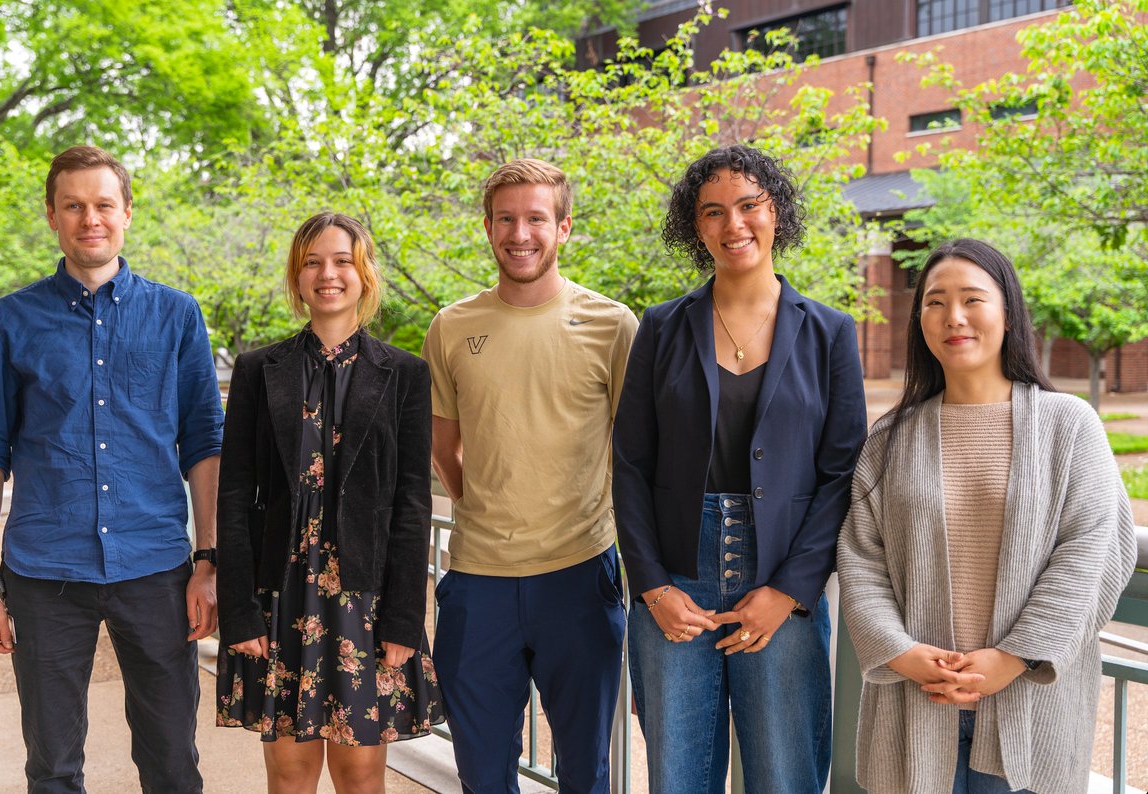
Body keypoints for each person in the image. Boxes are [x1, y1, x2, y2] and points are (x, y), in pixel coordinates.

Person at [0, 145, 223, 792]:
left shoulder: (178, 316)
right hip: (44, 572)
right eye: (73, 206)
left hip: (158, 569)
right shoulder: (8, 321)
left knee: (171, 761)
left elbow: (204, 444)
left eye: (103, 204)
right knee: (53, 765)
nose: (90, 219)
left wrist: (209, 562)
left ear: (127, 213)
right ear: (52, 216)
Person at [837, 238, 1137, 794]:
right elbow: (861, 560)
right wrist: (902, 653)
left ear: (1007, 312)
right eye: (935, 301)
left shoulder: (1068, 425)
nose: (954, 317)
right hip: (916, 699)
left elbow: (1091, 550)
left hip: (1029, 698)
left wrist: (1015, 656)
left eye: (973, 299)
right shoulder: (889, 439)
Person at [612, 143, 867, 793]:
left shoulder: (831, 333)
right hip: (677, 574)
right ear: (694, 228)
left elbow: (843, 474)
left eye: (750, 205)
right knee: (679, 772)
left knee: (785, 775)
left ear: (776, 211)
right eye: (714, 212)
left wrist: (787, 590)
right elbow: (631, 464)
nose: (735, 225)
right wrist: (651, 587)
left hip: (781, 570)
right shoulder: (662, 328)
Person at [421, 158, 638, 794]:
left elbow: (634, 453)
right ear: (488, 229)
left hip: (579, 576)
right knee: (483, 776)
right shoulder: (453, 326)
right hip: (477, 583)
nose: (522, 233)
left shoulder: (613, 324)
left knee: (585, 774)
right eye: (507, 219)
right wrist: (480, 503)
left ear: (563, 227)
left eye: (537, 218)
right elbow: (444, 443)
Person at [215, 212, 443, 793]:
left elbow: (412, 502)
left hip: (363, 598)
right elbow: (236, 493)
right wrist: (238, 609)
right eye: (313, 262)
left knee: (360, 771)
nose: (328, 274)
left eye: (342, 260)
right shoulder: (257, 370)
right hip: (280, 594)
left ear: (364, 274)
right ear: (297, 277)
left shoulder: (406, 374)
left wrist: (403, 619)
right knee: (289, 772)